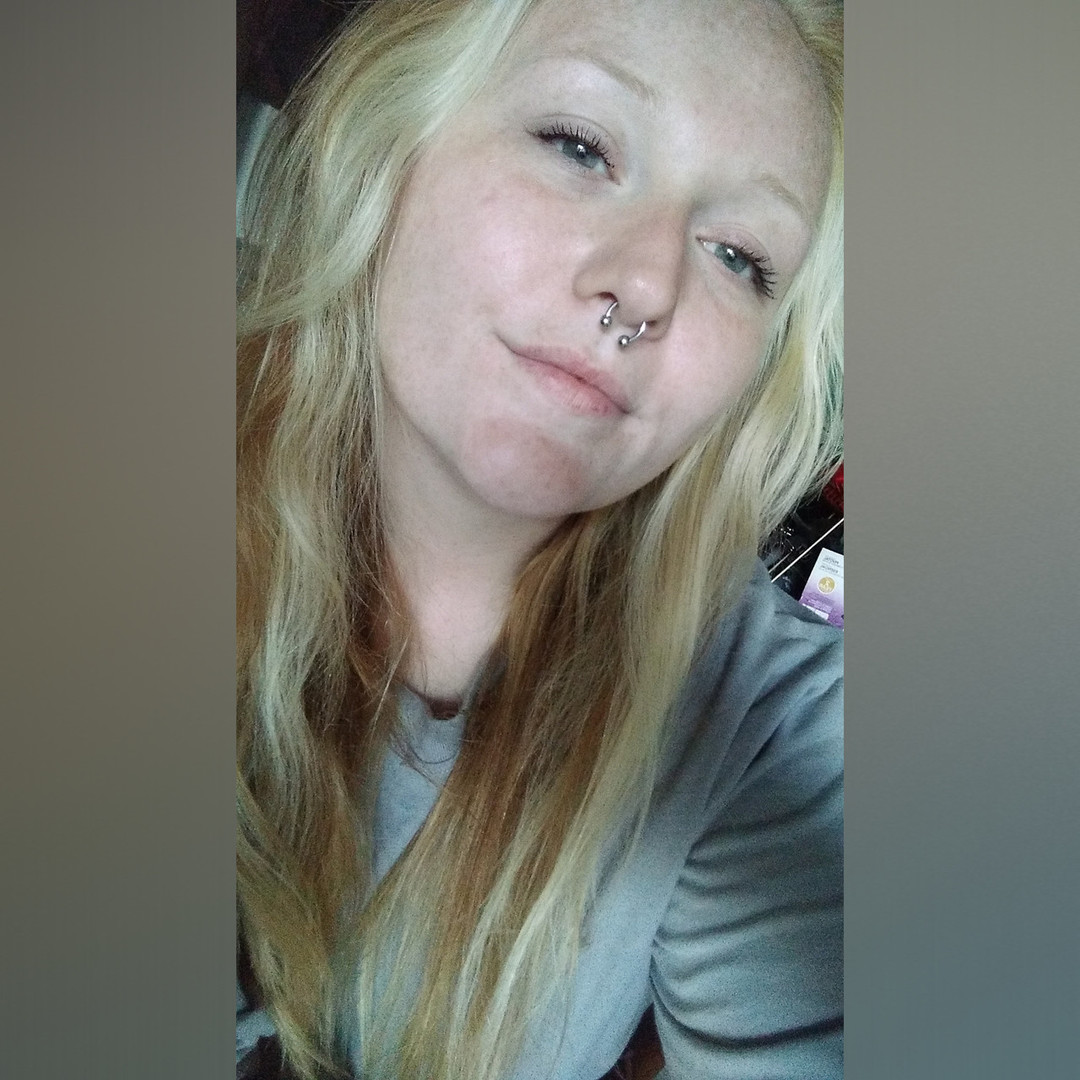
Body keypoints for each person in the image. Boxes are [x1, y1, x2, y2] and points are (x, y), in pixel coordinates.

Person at [236, 0, 844, 1077]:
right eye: (579, 145)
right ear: (389, 139)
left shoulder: (769, 728)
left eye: (740, 256)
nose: (646, 287)